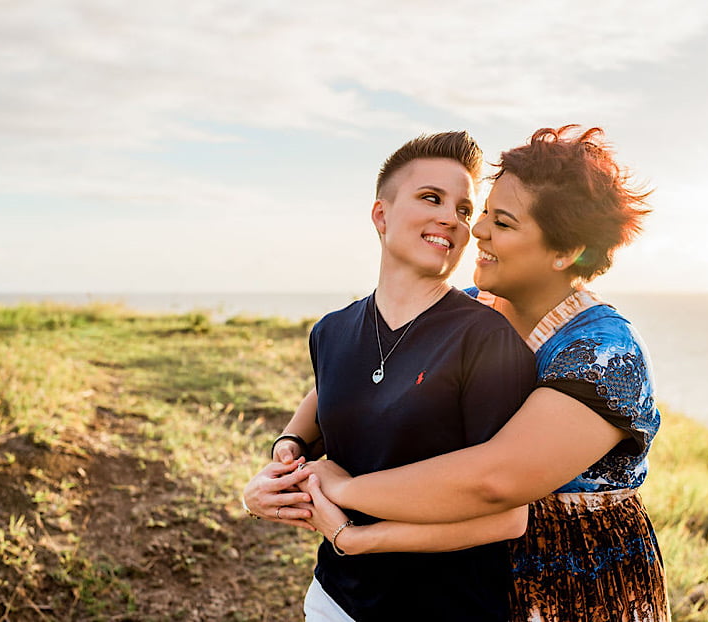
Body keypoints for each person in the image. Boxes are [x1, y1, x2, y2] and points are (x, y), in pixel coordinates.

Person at [298, 125, 671, 622]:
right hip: (458, 573)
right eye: (485, 214)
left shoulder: (604, 353)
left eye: (504, 223)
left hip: (575, 583)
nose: (476, 231)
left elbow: (496, 479)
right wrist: (291, 447)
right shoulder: (471, 310)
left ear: (565, 253)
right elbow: (355, 375)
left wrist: (341, 490)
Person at [242, 131, 538, 621]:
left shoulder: (487, 339)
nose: (451, 217)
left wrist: (355, 538)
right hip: (334, 599)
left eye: (464, 210)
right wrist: (268, 482)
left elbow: (508, 517)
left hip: (444, 608)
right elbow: (324, 446)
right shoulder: (331, 332)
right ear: (381, 214)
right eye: (431, 197)